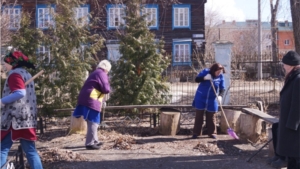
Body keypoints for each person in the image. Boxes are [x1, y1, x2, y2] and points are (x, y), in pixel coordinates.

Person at [0, 51, 43, 169]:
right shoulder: (26, 74)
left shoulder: (14, 74)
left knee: (2, 149)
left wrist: (2, 101)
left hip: (14, 120)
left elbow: (20, 92)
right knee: (30, 150)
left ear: (13, 63)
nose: (4, 65)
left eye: (6, 63)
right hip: (27, 119)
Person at [73, 60, 111, 150]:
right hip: (91, 97)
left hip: (89, 96)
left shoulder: (96, 72)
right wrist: (109, 90)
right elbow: (106, 88)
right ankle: (90, 143)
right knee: (93, 120)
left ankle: (95, 140)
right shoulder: (102, 73)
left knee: (93, 120)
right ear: (106, 68)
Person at [276, 50, 300, 169]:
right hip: (290, 125)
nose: (283, 66)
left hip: (294, 128)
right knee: (292, 156)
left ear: (290, 65)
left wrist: (291, 125)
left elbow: (297, 105)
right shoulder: (293, 77)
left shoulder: (298, 79)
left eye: (284, 64)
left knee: (296, 157)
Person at [192, 63, 226, 139]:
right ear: (214, 70)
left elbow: (222, 88)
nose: (219, 73)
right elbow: (196, 79)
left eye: (220, 72)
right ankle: (196, 133)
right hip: (201, 97)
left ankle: (212, 133)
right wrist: (204, 78)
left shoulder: (220, 77)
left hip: (212, 99)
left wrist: (220, 96)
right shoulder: (205, 72)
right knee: (199, 115)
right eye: (217, 72)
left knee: (212, 115)